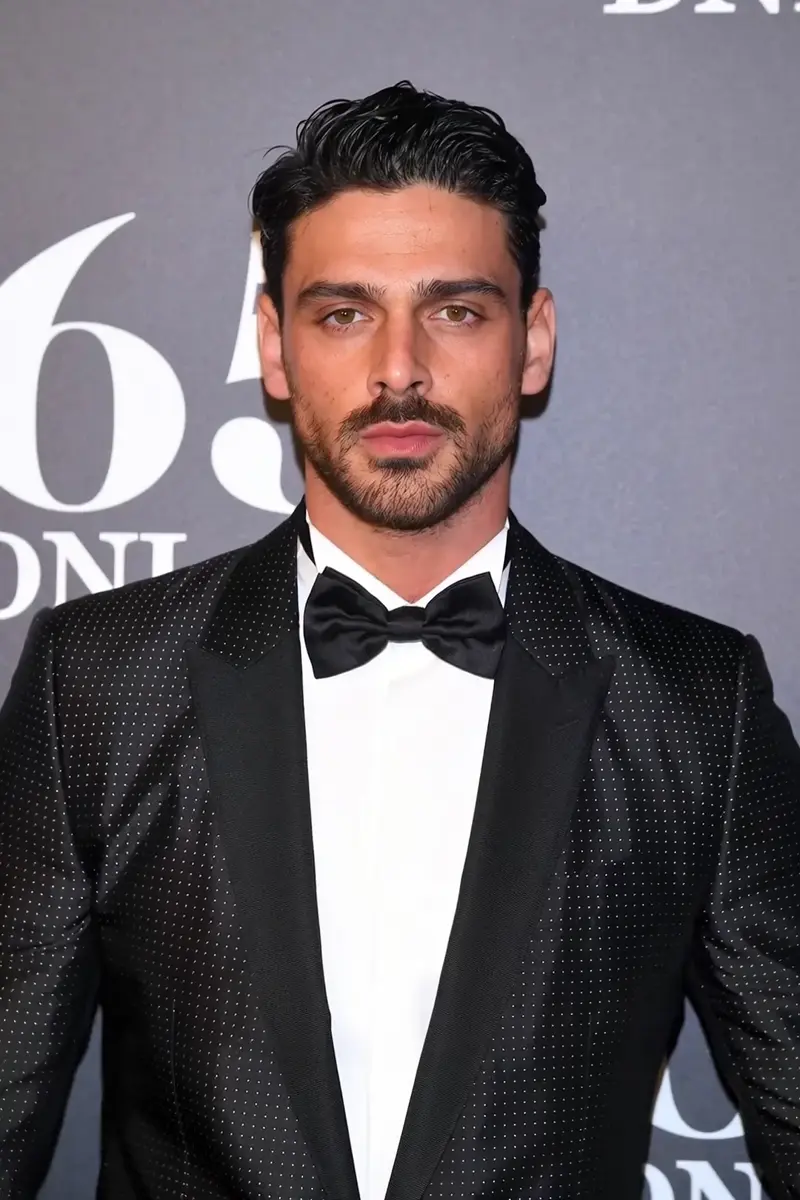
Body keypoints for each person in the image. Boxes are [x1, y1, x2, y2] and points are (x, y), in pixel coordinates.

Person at [1, 79, 799, 1200]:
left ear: (532, 341)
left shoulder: (695, 703)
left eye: (455, 311)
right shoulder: (97, 681)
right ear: (275, 347)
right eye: (343, 314)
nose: (397, 371)